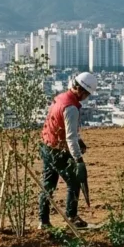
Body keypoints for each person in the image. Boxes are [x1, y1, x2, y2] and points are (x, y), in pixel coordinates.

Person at [38, 72, 97, 229]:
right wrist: (78, 160)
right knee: (75, 181)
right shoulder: (71, 108)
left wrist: (79, 140)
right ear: (81, 90)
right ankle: (72, 216)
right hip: (58, 150)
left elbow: (59, 125)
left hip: (46, 145)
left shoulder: (60, 98)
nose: (86, 97)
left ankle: (43, 221)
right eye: (87, 94)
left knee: (48, 184)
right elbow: (70, 138)